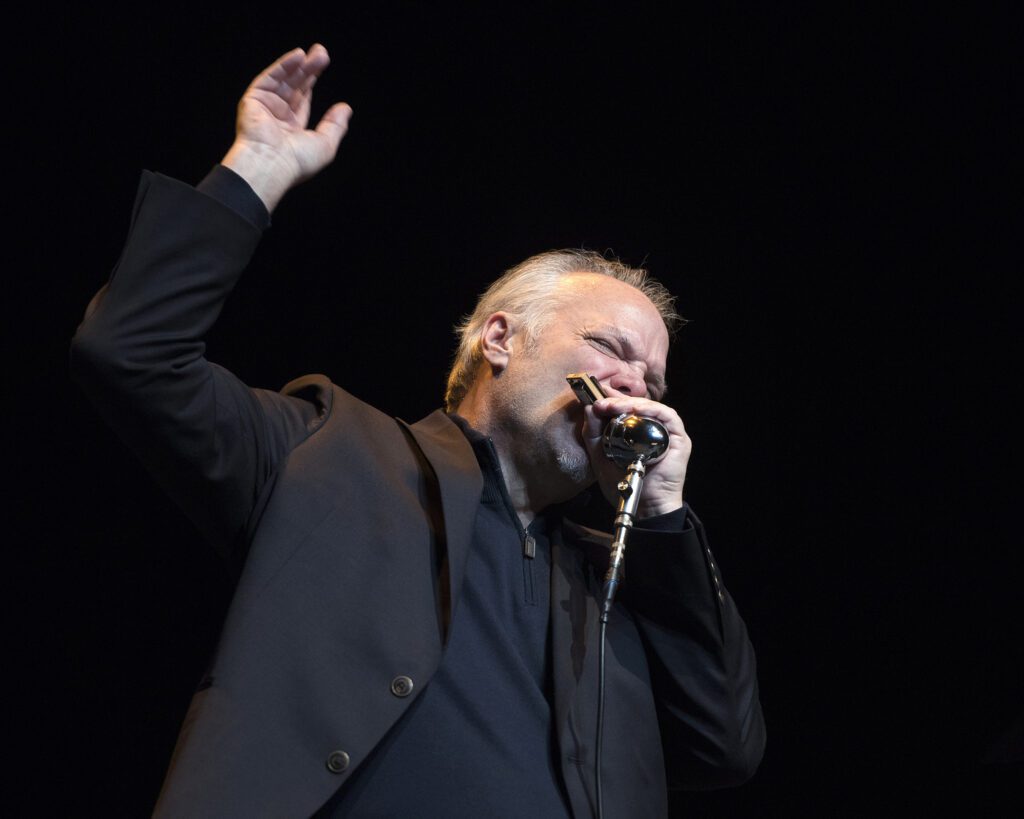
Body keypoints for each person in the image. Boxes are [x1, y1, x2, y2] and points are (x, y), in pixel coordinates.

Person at [71, 44, 765, 818]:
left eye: (654, 381)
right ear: (500, 339)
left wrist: (664, 523)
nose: (634, 384)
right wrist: (256, 170)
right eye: (609, 347)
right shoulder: (327, 452)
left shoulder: (616, 584)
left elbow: (722, 745)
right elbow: (132, 352)